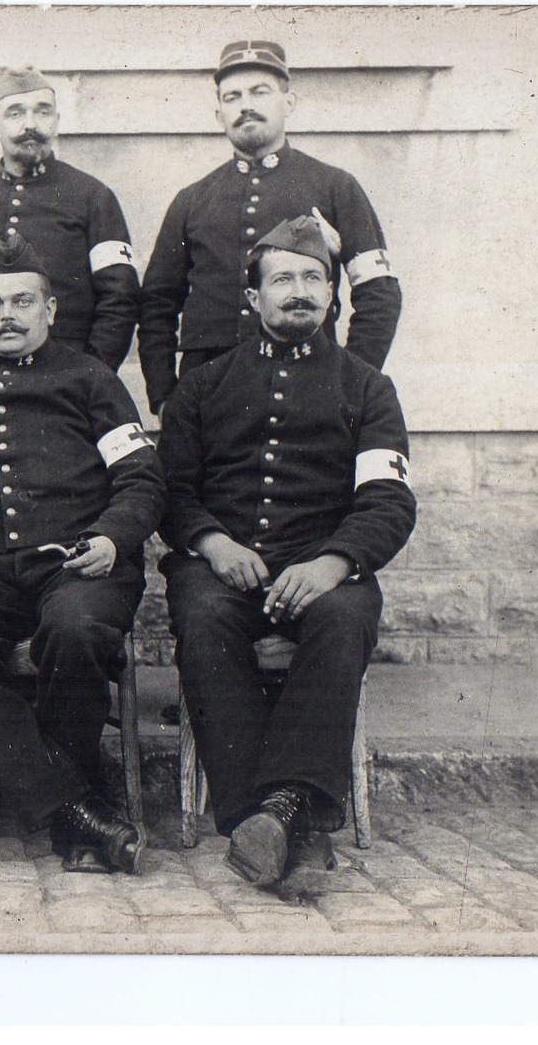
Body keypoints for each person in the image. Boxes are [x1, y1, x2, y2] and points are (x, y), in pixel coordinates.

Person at [157, 216, 415, 887]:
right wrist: (213, 542)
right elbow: (172, 491)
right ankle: (282, 823)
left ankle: (271, 816)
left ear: (332, 295)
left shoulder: (367, 388)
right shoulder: (202, 387)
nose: (298, 290)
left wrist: (333, 561)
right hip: (223, 567)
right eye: (282, 279)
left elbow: (388, 501)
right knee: (205, 616)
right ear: (253, 298)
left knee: (343, 616)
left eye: (312, 278)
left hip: (324, 563)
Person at [0, 233, 163, 875]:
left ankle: (69, 810)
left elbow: (142, 477)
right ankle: (74, 806)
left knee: (75, 630)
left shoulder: (91, 380)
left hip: (79, 557)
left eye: (23, 301)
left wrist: (111, 538)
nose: (7, 316)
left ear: (50, 311)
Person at [138, 39, 402, 415]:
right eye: (232, 97)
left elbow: (380, 293)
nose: (246, 105)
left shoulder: (335, 187)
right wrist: (165, 397)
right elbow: (156, 306)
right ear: (219, 115)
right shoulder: (191, 200)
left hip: (309, 381)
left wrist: (351, 379)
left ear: (288, 103)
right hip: (208, 391)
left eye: (260, 92)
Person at [0, 65, 139, 371]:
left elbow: (120, 296)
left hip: (66, 370)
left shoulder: (93, 197)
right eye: (15, 113)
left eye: (43, 112)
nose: (31, 125)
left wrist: (92, 372)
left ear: (56, 121)